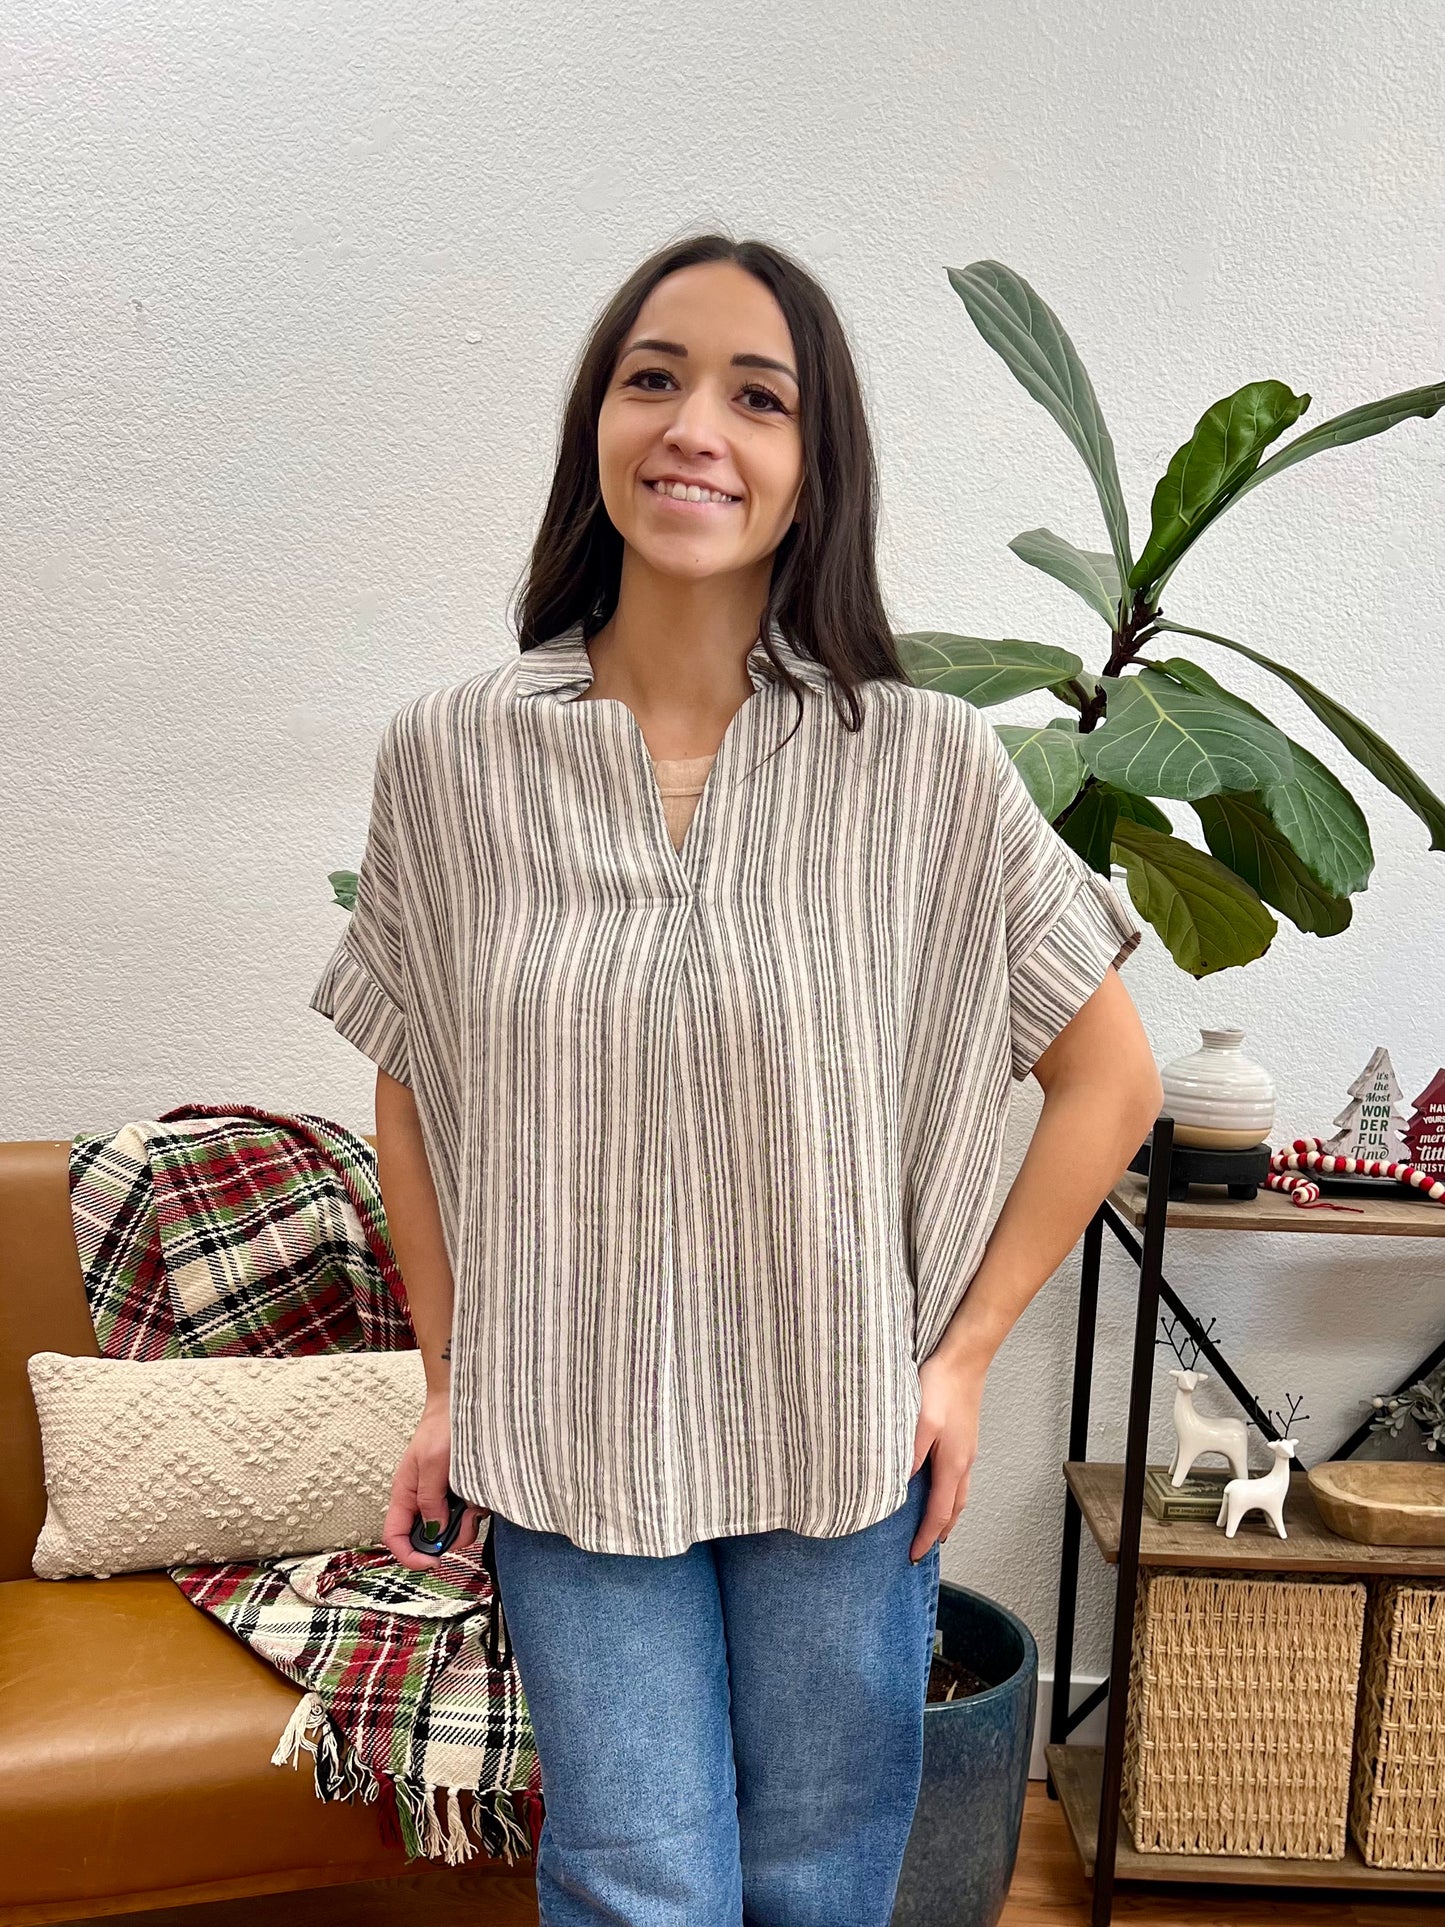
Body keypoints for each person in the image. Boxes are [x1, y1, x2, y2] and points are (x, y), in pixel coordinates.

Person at [311, 232, 1163, 1927]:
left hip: (838, 1436)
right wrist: (444, 1374)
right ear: (597, 429)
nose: (696, 425)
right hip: (566, 1435)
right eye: (654, 377)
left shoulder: (920, 762)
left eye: (755, 396)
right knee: (639, 1887)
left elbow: (1108, 1083)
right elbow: (416, 1080)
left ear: (809, 467)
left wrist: (965, 1355)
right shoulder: (452, 754)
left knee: (816, 1885)